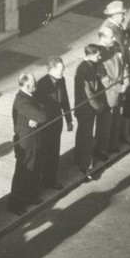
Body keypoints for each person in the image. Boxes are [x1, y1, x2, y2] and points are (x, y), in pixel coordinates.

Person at [8, 71, 46, 214]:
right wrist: (37, 116)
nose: (36, 85)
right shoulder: (22, 101)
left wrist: (35, 117)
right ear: (28, 85)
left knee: (32, 170)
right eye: (34, 83)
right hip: (25, 143)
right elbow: (43, 115)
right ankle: (15, 205)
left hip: (32, 141)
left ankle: (29, 196)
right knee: (23, 173)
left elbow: (41, 111)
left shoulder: (29, 97)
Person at [35, 56, 73, 190]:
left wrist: (69, 119)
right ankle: (41, 182)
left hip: (57, 123)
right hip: (45, 126)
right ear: (51, 69)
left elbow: (65, 100)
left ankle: (50, 180)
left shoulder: (61, 80)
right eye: (61, 69)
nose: (63, 72)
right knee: (44, 153)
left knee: (54, 153)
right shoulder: (41, 84)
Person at [94, 26, 126, 157]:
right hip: (109, 94)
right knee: (105, 124)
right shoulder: (98, 54)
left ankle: (113, 145)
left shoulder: (116, 47)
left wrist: (126, 82)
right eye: (111, 37)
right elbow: (105, 79)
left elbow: (125, 65)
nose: (114, 39)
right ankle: (102, 150)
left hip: (120, 90)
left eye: (114, 36)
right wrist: (119, 87)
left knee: (116, 120)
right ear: (102, 38)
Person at [73, 43, 105, 175]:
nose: (100, 57)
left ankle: (78, 158)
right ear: (90, 55)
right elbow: (89, 93)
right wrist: (98, 106)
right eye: (98, 55)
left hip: (84, 108)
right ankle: (86, 166)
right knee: (86, 137)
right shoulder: (84, 69)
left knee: (82, 134)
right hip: (86, 109)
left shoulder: (89, 66)